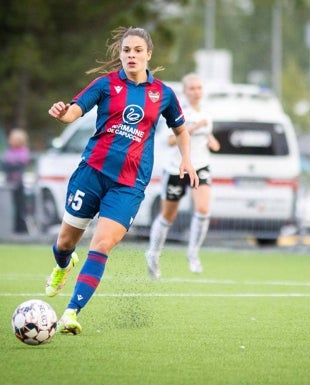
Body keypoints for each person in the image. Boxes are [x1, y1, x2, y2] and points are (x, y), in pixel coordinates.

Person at [45, 26, 198, 335]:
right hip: (91, 174)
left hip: (129, 185)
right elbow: (75, 111)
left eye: (138, 50)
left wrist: (187, 159)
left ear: (148, 55)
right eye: (127, 50)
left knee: (101, 245)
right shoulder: (105, 85)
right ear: (121, 54)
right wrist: (62, 114)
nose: (131, 55)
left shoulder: (164, 94)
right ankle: (63, 264)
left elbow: (180, 129)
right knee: (64, 244)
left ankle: (71, 313)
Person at [145, 73, 220, 280]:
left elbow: (207, 135)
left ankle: (193, 253)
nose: (196, 92)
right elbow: (169, 141)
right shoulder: (178, 112)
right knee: (168, 216)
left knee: (203, 209)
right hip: (176, 169)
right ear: (185, 92)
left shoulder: (206, 113)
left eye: (199, 88)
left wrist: (212, 141)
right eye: (192, 88)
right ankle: (153, 253)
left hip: (200, 166)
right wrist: (193, 127)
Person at [1, 128, 30, 234]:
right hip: (8, 184)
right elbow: (5, 165)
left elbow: (19, 165)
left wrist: (12, 163)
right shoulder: (9, 151)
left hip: (18, 184)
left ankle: (21, 230)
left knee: (20, 208)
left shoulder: (23, 151)